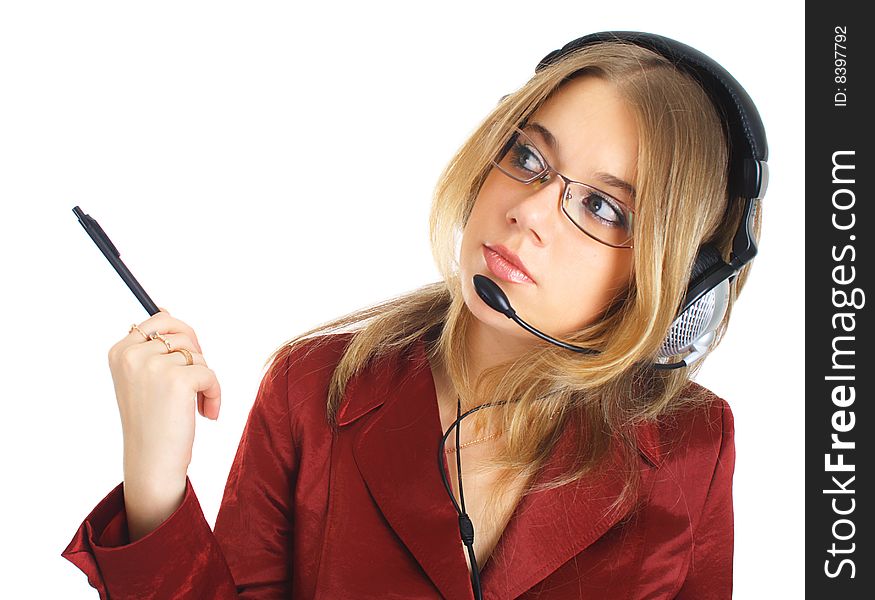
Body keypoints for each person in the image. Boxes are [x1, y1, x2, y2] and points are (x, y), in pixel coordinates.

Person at [62, 31, 767, 599]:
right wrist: (154, 483)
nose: (526, 210)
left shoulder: (692, 443)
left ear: (675, 279)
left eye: (602, 207)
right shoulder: (315, 386)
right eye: (526, 156)